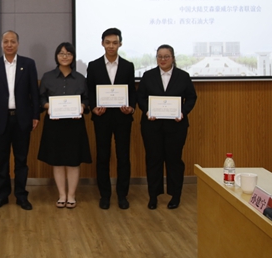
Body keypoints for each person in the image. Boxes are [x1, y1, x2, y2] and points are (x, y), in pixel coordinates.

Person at [0, 30, 40, 211]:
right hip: (0, 119)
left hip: (22, 119)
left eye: (12, 41)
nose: (9, 44)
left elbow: (34, 92)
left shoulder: (28, 64)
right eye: (6, 41)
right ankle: (2, 195)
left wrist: (36, 115)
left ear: (18, 44)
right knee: (2, 160)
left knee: (21, 160)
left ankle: (21, 195)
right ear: (2, 44)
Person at [137, 44, 197, 210]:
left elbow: (191, 97)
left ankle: (175, 195)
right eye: (159, 56)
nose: (162, 59)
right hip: (152, 125)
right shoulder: (148, 76)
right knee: (153, 160)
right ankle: (153, 196)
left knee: (174, 161)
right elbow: (140, 97)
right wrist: (147, 111)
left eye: (166, 56)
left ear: (173, 58)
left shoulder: (183, 76)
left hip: (176, 126)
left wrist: (182, 112)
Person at [86, 28, 136, 210]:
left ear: (120, 44)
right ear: (102, 43)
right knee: (103, 156)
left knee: (123, 157)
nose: (111, 46)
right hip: (102, 117)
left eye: (115, 43)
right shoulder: (93, 65)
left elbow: (132, 91)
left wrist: (131, 108)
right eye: (107, 42)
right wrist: (93, 108)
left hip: (123, 117)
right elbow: (90, 90)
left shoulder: (128, 66)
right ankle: (105, 195)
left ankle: (122, 195)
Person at [38, 42, 92, 209]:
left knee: (73, 161)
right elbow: (41, 99)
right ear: (56, 56)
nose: (65, 56)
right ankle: (62, 195)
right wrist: (48, 106)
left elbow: (87, 99)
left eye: (68, 54)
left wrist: (82, 106)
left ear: (73, 57)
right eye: (61, 53)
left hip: (74, 125)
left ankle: (72, 195)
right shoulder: (47, 77)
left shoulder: (81, 78)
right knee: (58, 161)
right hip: (54, 125)